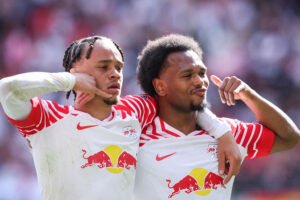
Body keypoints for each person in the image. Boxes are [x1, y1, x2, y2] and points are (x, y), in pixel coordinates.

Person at [0, 35, 240, 200]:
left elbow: (180, 100)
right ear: (76, 71)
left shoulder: (134, 111)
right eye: (104, 67)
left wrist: (221, 131)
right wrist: (70, 81)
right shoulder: (49, 118)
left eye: (118, 67)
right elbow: (6, 90)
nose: (115, 74)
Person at [134, 34, 300, 200]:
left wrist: (249, 95)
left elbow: (289, 137)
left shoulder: (227, 133)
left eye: (202, 73)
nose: (200, 81)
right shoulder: (135, 138)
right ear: (160, 86)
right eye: (187, 75)